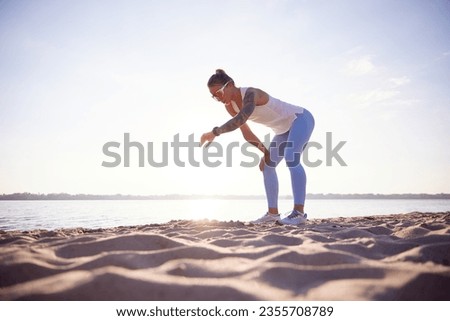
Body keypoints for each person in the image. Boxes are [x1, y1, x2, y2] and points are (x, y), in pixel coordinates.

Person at [200, 69, 315, 225]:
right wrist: (265, 152)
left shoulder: (251, 94)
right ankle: (272, 214)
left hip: (299, 119)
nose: (218, 98)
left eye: (219, 92)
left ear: (231, 84)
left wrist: (215, 132)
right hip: (282, 131)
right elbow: (246, 133)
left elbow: (241, 119)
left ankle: (299, 213)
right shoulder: (230, 106)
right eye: (214, 96)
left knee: (291, 158)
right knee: (267, 165)